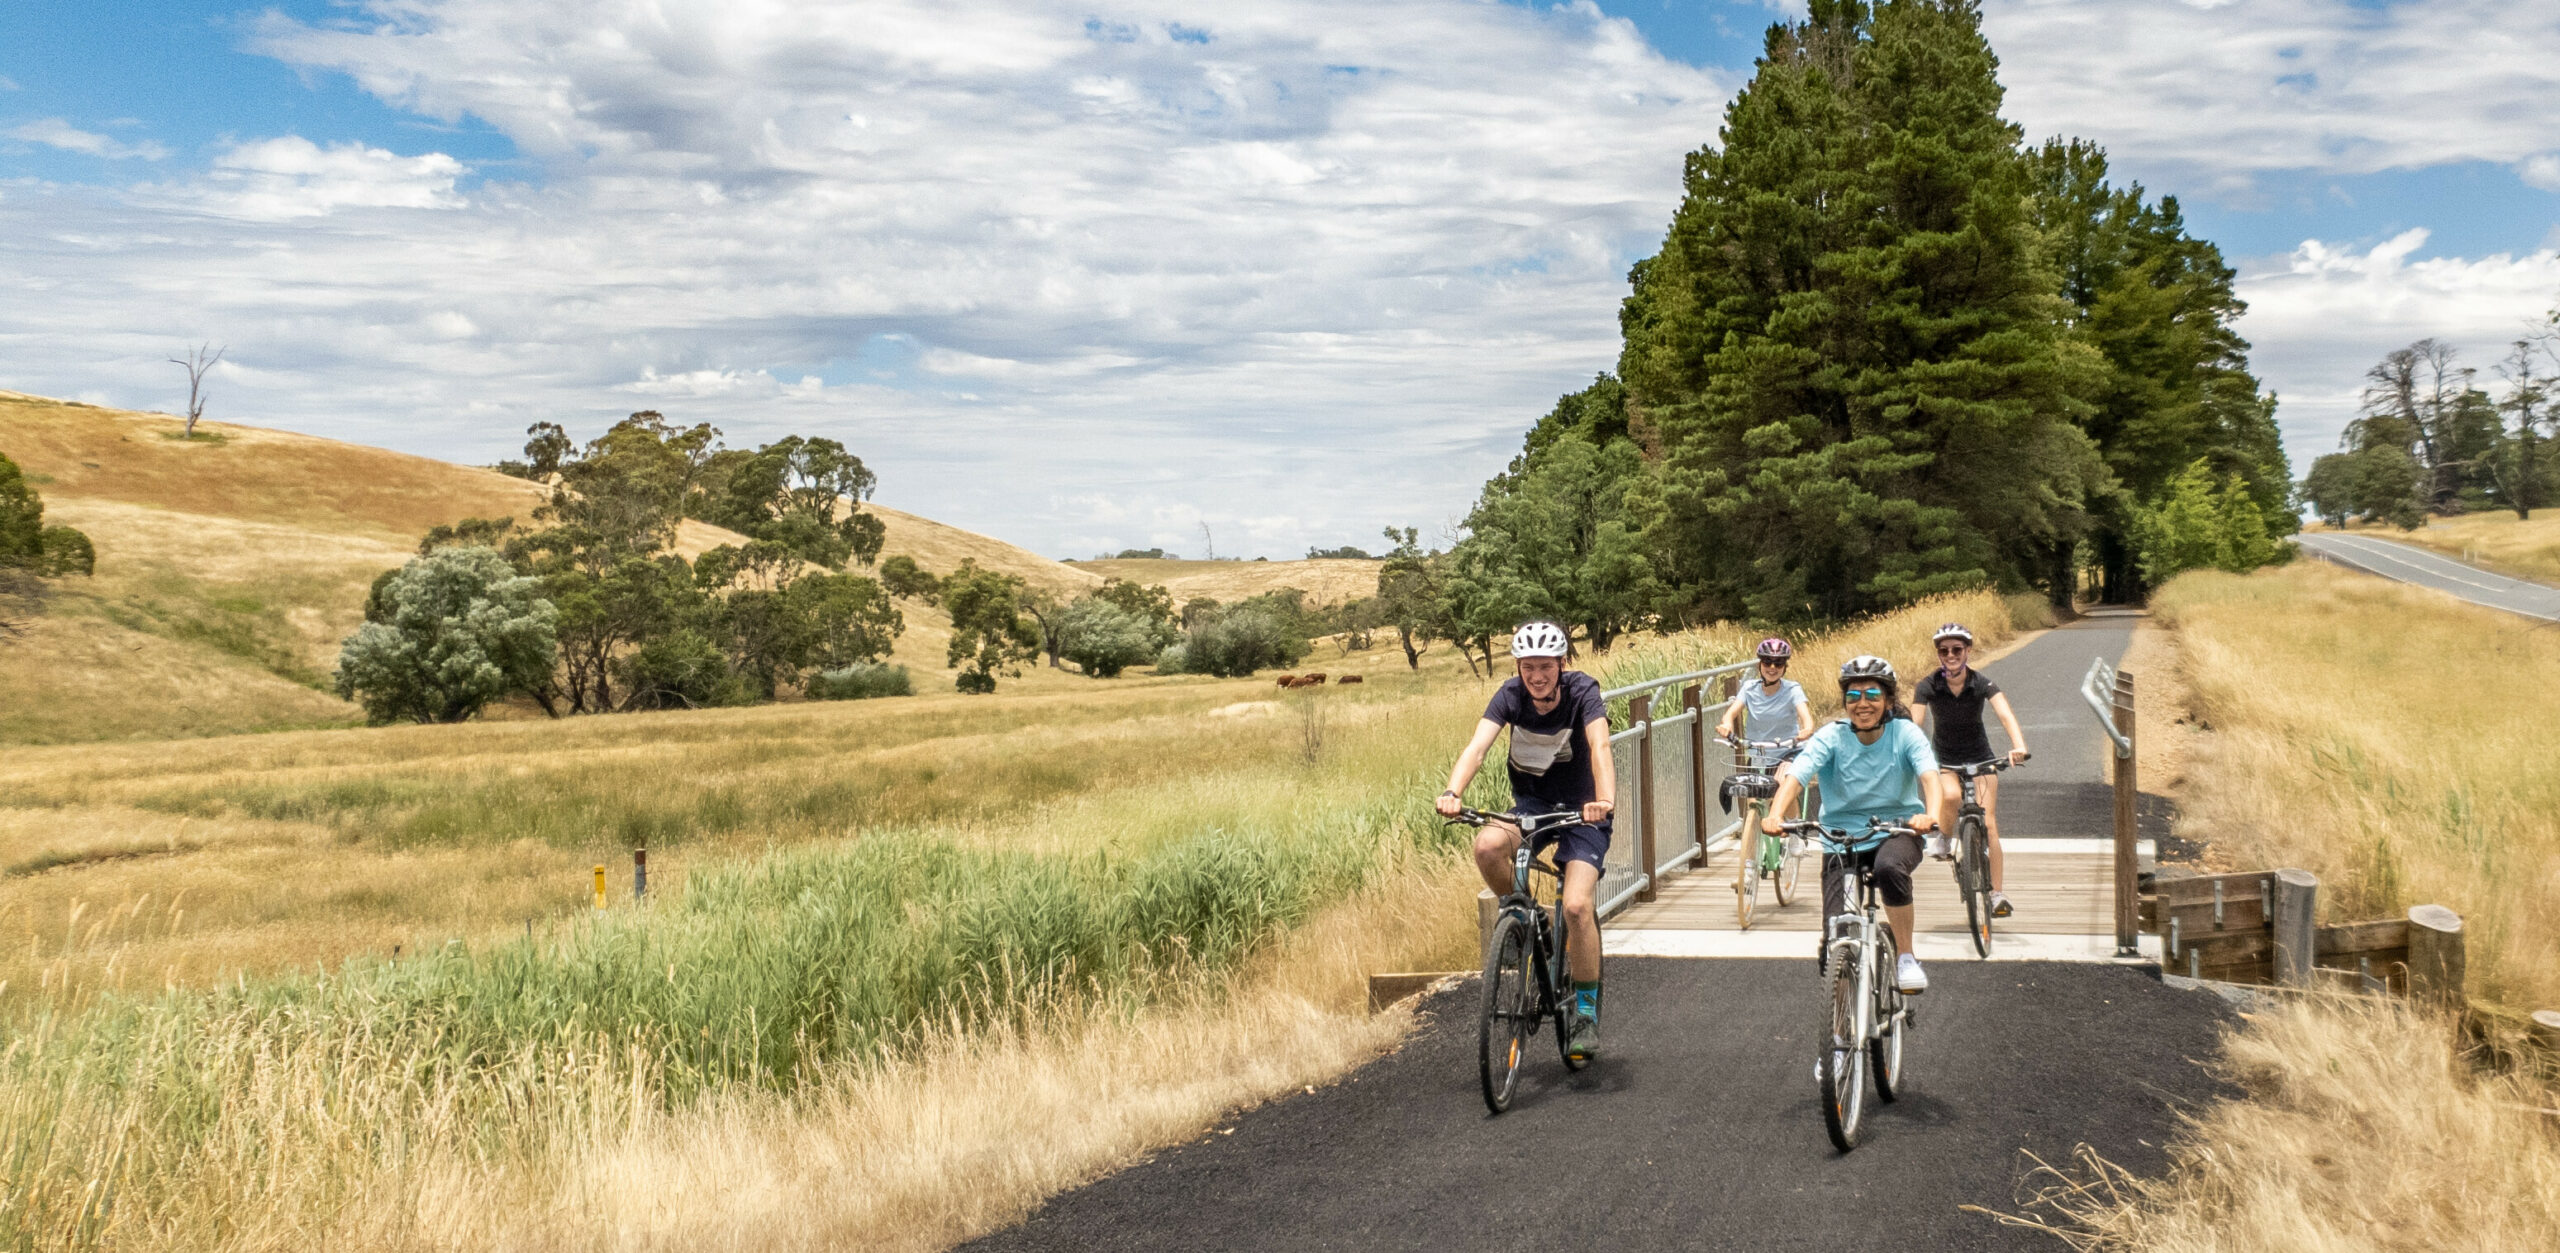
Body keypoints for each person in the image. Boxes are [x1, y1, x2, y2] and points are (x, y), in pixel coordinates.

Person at [1435, 620, 1616, 1058]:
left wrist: (1604, 798)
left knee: (1576, 905)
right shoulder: (1510, 696)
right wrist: (1453, 791)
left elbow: (1599, 747)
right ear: (1518, 668)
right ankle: (1529, 919)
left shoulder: (1582, 691)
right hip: (1532, 806)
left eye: (1545, 667)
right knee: (1488, 846)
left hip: (1582, 810)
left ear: (1562, 664)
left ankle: (1587, 1014)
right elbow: (1477, 748)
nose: (1537, 676)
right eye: (1528, 667)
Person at [1759, 655, 1944, 994]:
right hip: (1842, 840)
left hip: (1898, 830)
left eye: (1872, 695)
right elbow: (1799, 774)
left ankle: (1906, 956)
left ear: (1887, 700)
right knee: (1836, 940)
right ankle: (1842, 1038)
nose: (1863, 704)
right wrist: (1776, 814)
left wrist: (1929, 815)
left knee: (1890, 868)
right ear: (1844, 702)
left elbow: (1930, 776)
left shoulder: (1904, 733)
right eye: (1853, 696)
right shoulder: (1832, 736)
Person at [1910, 623, 2030, 919]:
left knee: (1988, 824)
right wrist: (1913, 753)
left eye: (1957, 649)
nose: (1950, 655)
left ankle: (1997, 894)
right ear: (1938, 654)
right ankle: (1945, 837)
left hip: (1980, 757)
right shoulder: (1927, 685)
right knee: (1950, 797)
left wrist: (2018, 745)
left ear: (1968, 651)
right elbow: (1916, 724)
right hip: (1945, 758)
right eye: (1944, 650)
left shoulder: (1982, 683)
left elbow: (2005, 712)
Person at [1716, 637, 1815, 764]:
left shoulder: (1793, 689)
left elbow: (1806, 718)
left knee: (1783, 780)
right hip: (1758, 755)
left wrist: (1807, 729)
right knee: (1742, 783)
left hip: (1788, 753)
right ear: (1760, 665)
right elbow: (1730, 714)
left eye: (1778, 663)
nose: (1772, 667)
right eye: (1767, 662)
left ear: (1785, 667)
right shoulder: (1749, 688)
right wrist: (1727, 725)